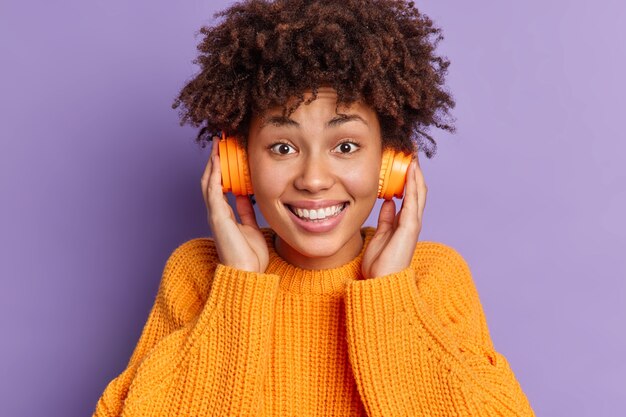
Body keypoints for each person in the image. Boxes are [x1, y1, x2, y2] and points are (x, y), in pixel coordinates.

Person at [92, 0, 536, 416]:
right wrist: (239, 289)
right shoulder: (199, 273)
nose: (314, 178)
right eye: (283, 147)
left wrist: (390, 294)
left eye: (345, 145)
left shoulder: (433, 278)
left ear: (391, 163)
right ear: (239, 164)